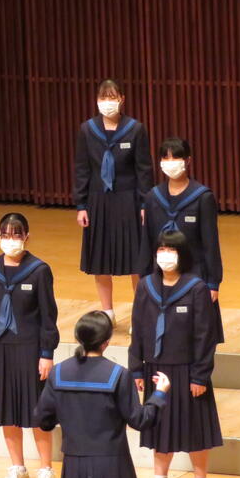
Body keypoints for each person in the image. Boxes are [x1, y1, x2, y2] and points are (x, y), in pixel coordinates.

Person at [34, 311, 171, 478]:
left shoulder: (59, 373)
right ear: (106, 342)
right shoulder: (118, 375)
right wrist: (159, 395)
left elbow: (42, 420)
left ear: (79, 338)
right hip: (112, 465)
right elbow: (140, 420)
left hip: (75, 465)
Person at [129, 230, 222, 478]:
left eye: (171, 250)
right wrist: (136, 369)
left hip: (188, 370)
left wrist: (200, 375)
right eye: (161, 250)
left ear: (182, 254)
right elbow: (138, 329)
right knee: (159, 425)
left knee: (195, 427)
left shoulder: (195, 288)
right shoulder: (145, 286)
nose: (165, 255)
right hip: (156, 368)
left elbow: (205, 336)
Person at [0, 212, 59, 478]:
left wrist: (46, 353)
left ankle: (46, 470)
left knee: (36, 411)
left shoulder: (39, 270)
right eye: (6, 235)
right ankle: (17, 468)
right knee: (7, 411)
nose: (11, 240)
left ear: (26, 237)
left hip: (30, 349)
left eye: (16, 234)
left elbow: (48, 315)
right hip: (0, 349)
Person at [74, 79, 152, 325]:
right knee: (100, 259)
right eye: (103, 98)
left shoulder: (135, 129)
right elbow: (82, 169)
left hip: (129, 200)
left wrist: (145, 204)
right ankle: (107, 312)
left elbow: (144, 170)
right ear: (97, 101)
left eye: (112, 97)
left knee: (136, 260)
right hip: (98, 201)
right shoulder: (87, 130)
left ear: (121, 99)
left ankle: (139, 314)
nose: (107, 102)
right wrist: (81, 205)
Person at [139, 137, 224, 343]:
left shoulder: (202, 197)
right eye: (165, 158)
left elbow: (210, 243)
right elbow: (147, 242)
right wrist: (144, 279)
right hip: (162, 274)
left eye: (175, 158)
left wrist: (213, 283)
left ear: (187, 161)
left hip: (194, 273)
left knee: (196, 333)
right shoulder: (153, 197)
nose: (170, 163)